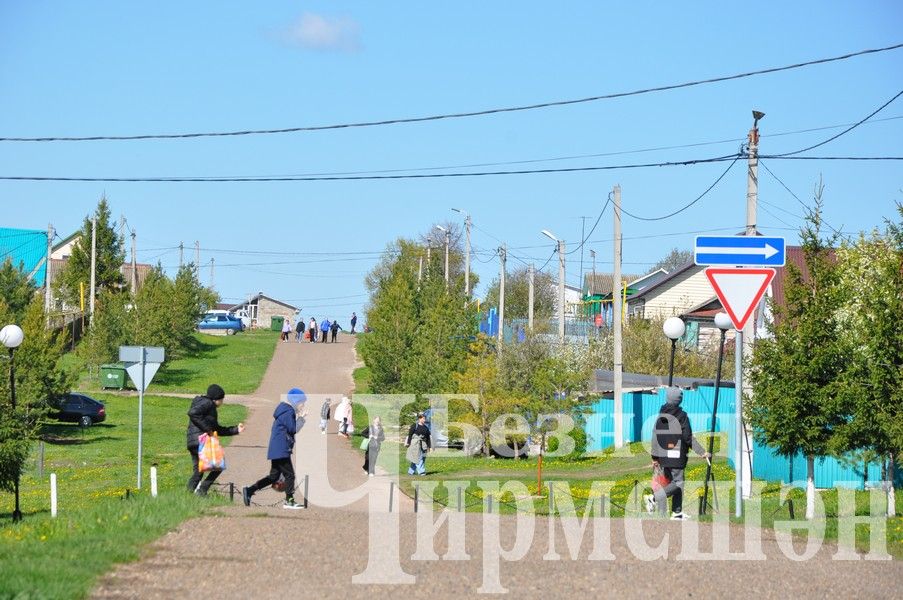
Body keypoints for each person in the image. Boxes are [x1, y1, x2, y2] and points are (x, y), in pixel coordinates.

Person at [646, 386, 710, 520]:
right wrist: (702, 452)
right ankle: (653, 498)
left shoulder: (660, 416)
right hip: (677, 456)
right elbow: (688, 437)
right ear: (679, 400)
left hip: (663, 457)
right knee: (678, 483)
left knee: (673, 483)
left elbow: (655, 437)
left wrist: (654, 457)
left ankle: (677, 513)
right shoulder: (682, 416)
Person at [242, 388, 308, 510]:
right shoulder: (288, 411)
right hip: (281, 448)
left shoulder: (284, 411)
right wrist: (301, 419)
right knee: (290, 475)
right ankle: (289, 501)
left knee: (273, 477)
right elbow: (293, 429)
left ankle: (249, 490)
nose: (303, 405)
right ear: (295, 401)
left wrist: (300, 418)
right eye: (302, 402)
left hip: (277, 448)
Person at [186, 384, 244, 496]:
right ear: (216, 399)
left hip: (193, 441)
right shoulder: (208, 404)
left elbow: (217, 429)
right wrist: (208, 430)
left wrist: (236, 430)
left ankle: (188, 495)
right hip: (201, 442)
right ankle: (202, 491)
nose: (222, 402)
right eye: (222, 399)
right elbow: (192, 413)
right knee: (217, 466)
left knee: (199, 471)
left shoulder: (204, 405)